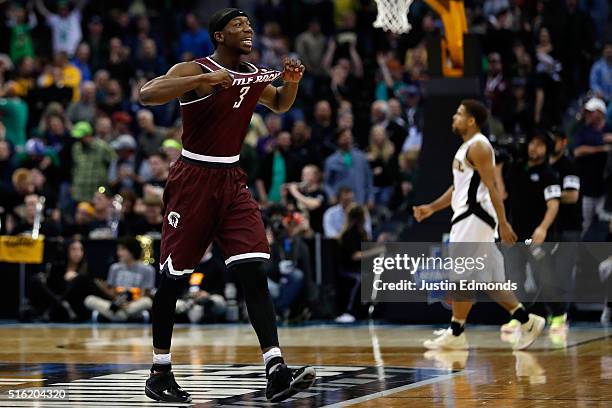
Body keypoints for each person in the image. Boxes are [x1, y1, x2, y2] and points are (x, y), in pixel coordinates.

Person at [138, 8, 315, 403]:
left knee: (254, 269)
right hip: (193, 180)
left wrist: (292, 83)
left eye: (249, 25)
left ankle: (276, 369)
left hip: (232, 181)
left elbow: (281, 104)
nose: (248, 30)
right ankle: (159, 371)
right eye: (238, 26)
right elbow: (146, 94)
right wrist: (205, 80)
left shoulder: (251, 74)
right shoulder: (194, 69)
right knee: (172, 279)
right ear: (219, 36)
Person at [413, 100, 545, 350]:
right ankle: (527, 322)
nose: (454, 117)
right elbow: (458, 188)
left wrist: (504, 223)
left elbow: (493, 187)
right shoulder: (467, 148)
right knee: (489, 280)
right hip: (471, 217)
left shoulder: (479, 146)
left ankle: (456, 332)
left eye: (459, 113)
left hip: (474, 217)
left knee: (461, 274)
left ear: (471, 120)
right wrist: (431, 207)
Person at [84, 236, 154, 321]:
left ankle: (119, 315)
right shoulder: (115, 268)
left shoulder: (147, 269)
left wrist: (129, 303)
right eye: (118, 250)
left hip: (135, 306)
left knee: (147, 301)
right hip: (117, 304)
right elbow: (113, 292)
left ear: (132, 250)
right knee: (89, 299)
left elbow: (145, 294)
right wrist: (106, 290)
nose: (119, 253)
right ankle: (120, 315)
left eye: (122, 250)